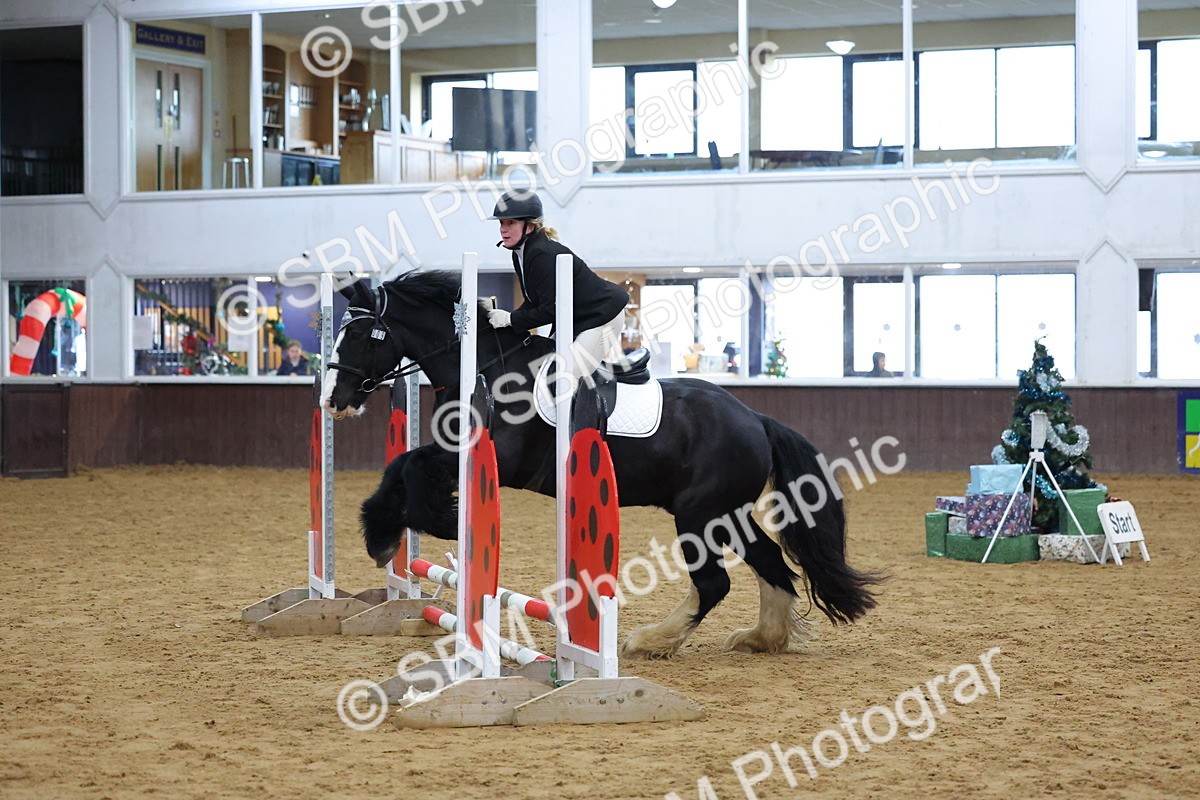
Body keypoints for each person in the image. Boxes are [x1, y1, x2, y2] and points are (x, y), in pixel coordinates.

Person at [486, 191, 629, 383]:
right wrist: (507, 324)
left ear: (529, 226)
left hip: (602, 318)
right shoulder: (520, 254)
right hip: (575, 320)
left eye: (511, 223)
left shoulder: (542, 254)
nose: (503, 229)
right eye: (501, 223)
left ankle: (592, 414)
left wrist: (510, 319)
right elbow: (532, 301)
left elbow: (549, 310)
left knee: (563, 377)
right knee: (541, 368)